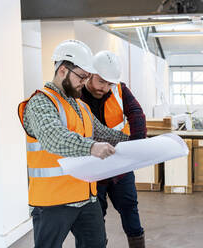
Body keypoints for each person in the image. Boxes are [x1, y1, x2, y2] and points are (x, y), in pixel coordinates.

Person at [18, 40, 129, 248]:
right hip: (52, 202)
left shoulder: (80, 106)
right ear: (62, 70)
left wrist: (135, 143)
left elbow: (103, 133)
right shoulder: (40, 102)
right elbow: (55, 138)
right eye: (82, 76)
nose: (84, 82)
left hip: (86, 197)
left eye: (87, 77)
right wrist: (91, 147)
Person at [81, 50, 146, 248]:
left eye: (110, 83)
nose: (106, 88)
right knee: (94, 217)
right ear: (90, 74)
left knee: (129, 208)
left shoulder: (119, 89)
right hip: (92, 166)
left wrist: (136, 146)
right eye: (101, 82)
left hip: (119, 165)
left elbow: (136, 114)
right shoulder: (76, 94)